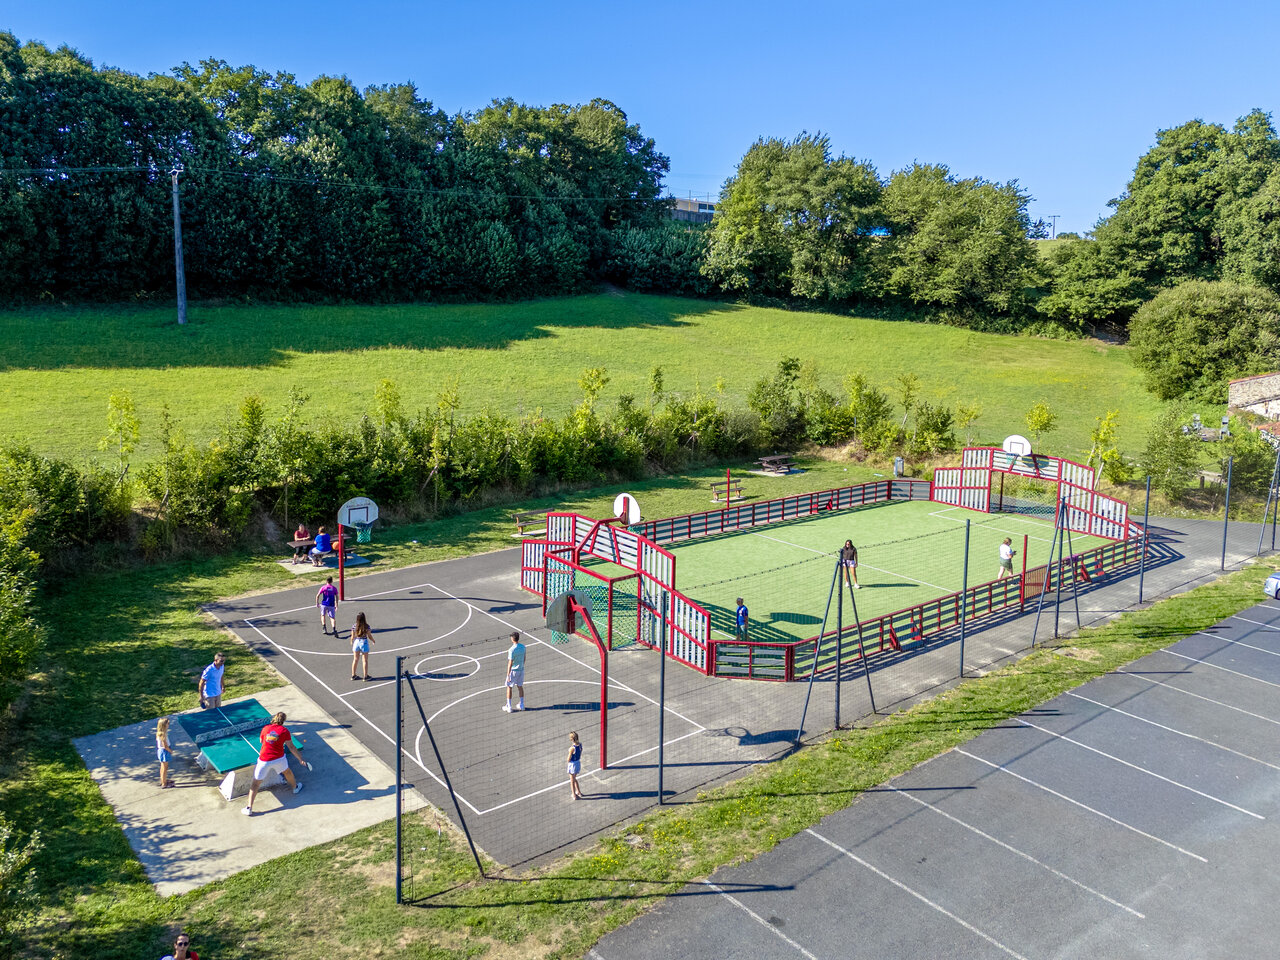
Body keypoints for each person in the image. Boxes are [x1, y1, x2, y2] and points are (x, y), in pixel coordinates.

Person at [242, 710, 311, 816]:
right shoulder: (285, 731)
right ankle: (295, 788)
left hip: (264, 760)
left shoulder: (265, 728)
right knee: (287, 772)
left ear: (274, 719)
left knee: (255, 784)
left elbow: (261, 741)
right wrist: (300, 759)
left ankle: (249, 808)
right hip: (279, 759)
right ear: (283, 721)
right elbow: (291, 747)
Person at [503, 631, 525, 713]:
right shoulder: (523, 647)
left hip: (514, 671)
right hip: (521, 670)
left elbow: (510, 663)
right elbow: (524, 658)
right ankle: (522, 704)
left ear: (512, 639)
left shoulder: (511, 650)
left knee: (509, 687)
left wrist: (508, 674)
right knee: (520, 686)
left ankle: (509, 706)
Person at [350, 611, 375, 681]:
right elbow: (369, 635)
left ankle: (353, 675)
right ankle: (365, 676)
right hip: (364, 642)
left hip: (356, 642)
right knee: (365, 660)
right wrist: (373, 640)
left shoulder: (354, 626)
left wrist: (351, 641)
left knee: (355, 659)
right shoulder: (367, 626)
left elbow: (352, 636)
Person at [156, 716, 174, 789]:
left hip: (161, 751)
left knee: (162, 767)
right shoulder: (163, 734)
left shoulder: (159, 733)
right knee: (165, 768)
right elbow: (165, 746)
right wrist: (170, 751)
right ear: (164, 725)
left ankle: (163, 780)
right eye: (167, 724)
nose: (168, 725)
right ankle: (164, 783)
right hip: (164, 752)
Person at [566, 731, 583, 800]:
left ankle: (574, 794)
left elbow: (568, 759)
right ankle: (578, 792)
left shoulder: (572, 748)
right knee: (574, 778)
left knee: (572, 780)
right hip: (577, 763)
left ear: (571, 739)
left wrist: (568, 761)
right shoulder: (580, 745)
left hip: (572, 764)